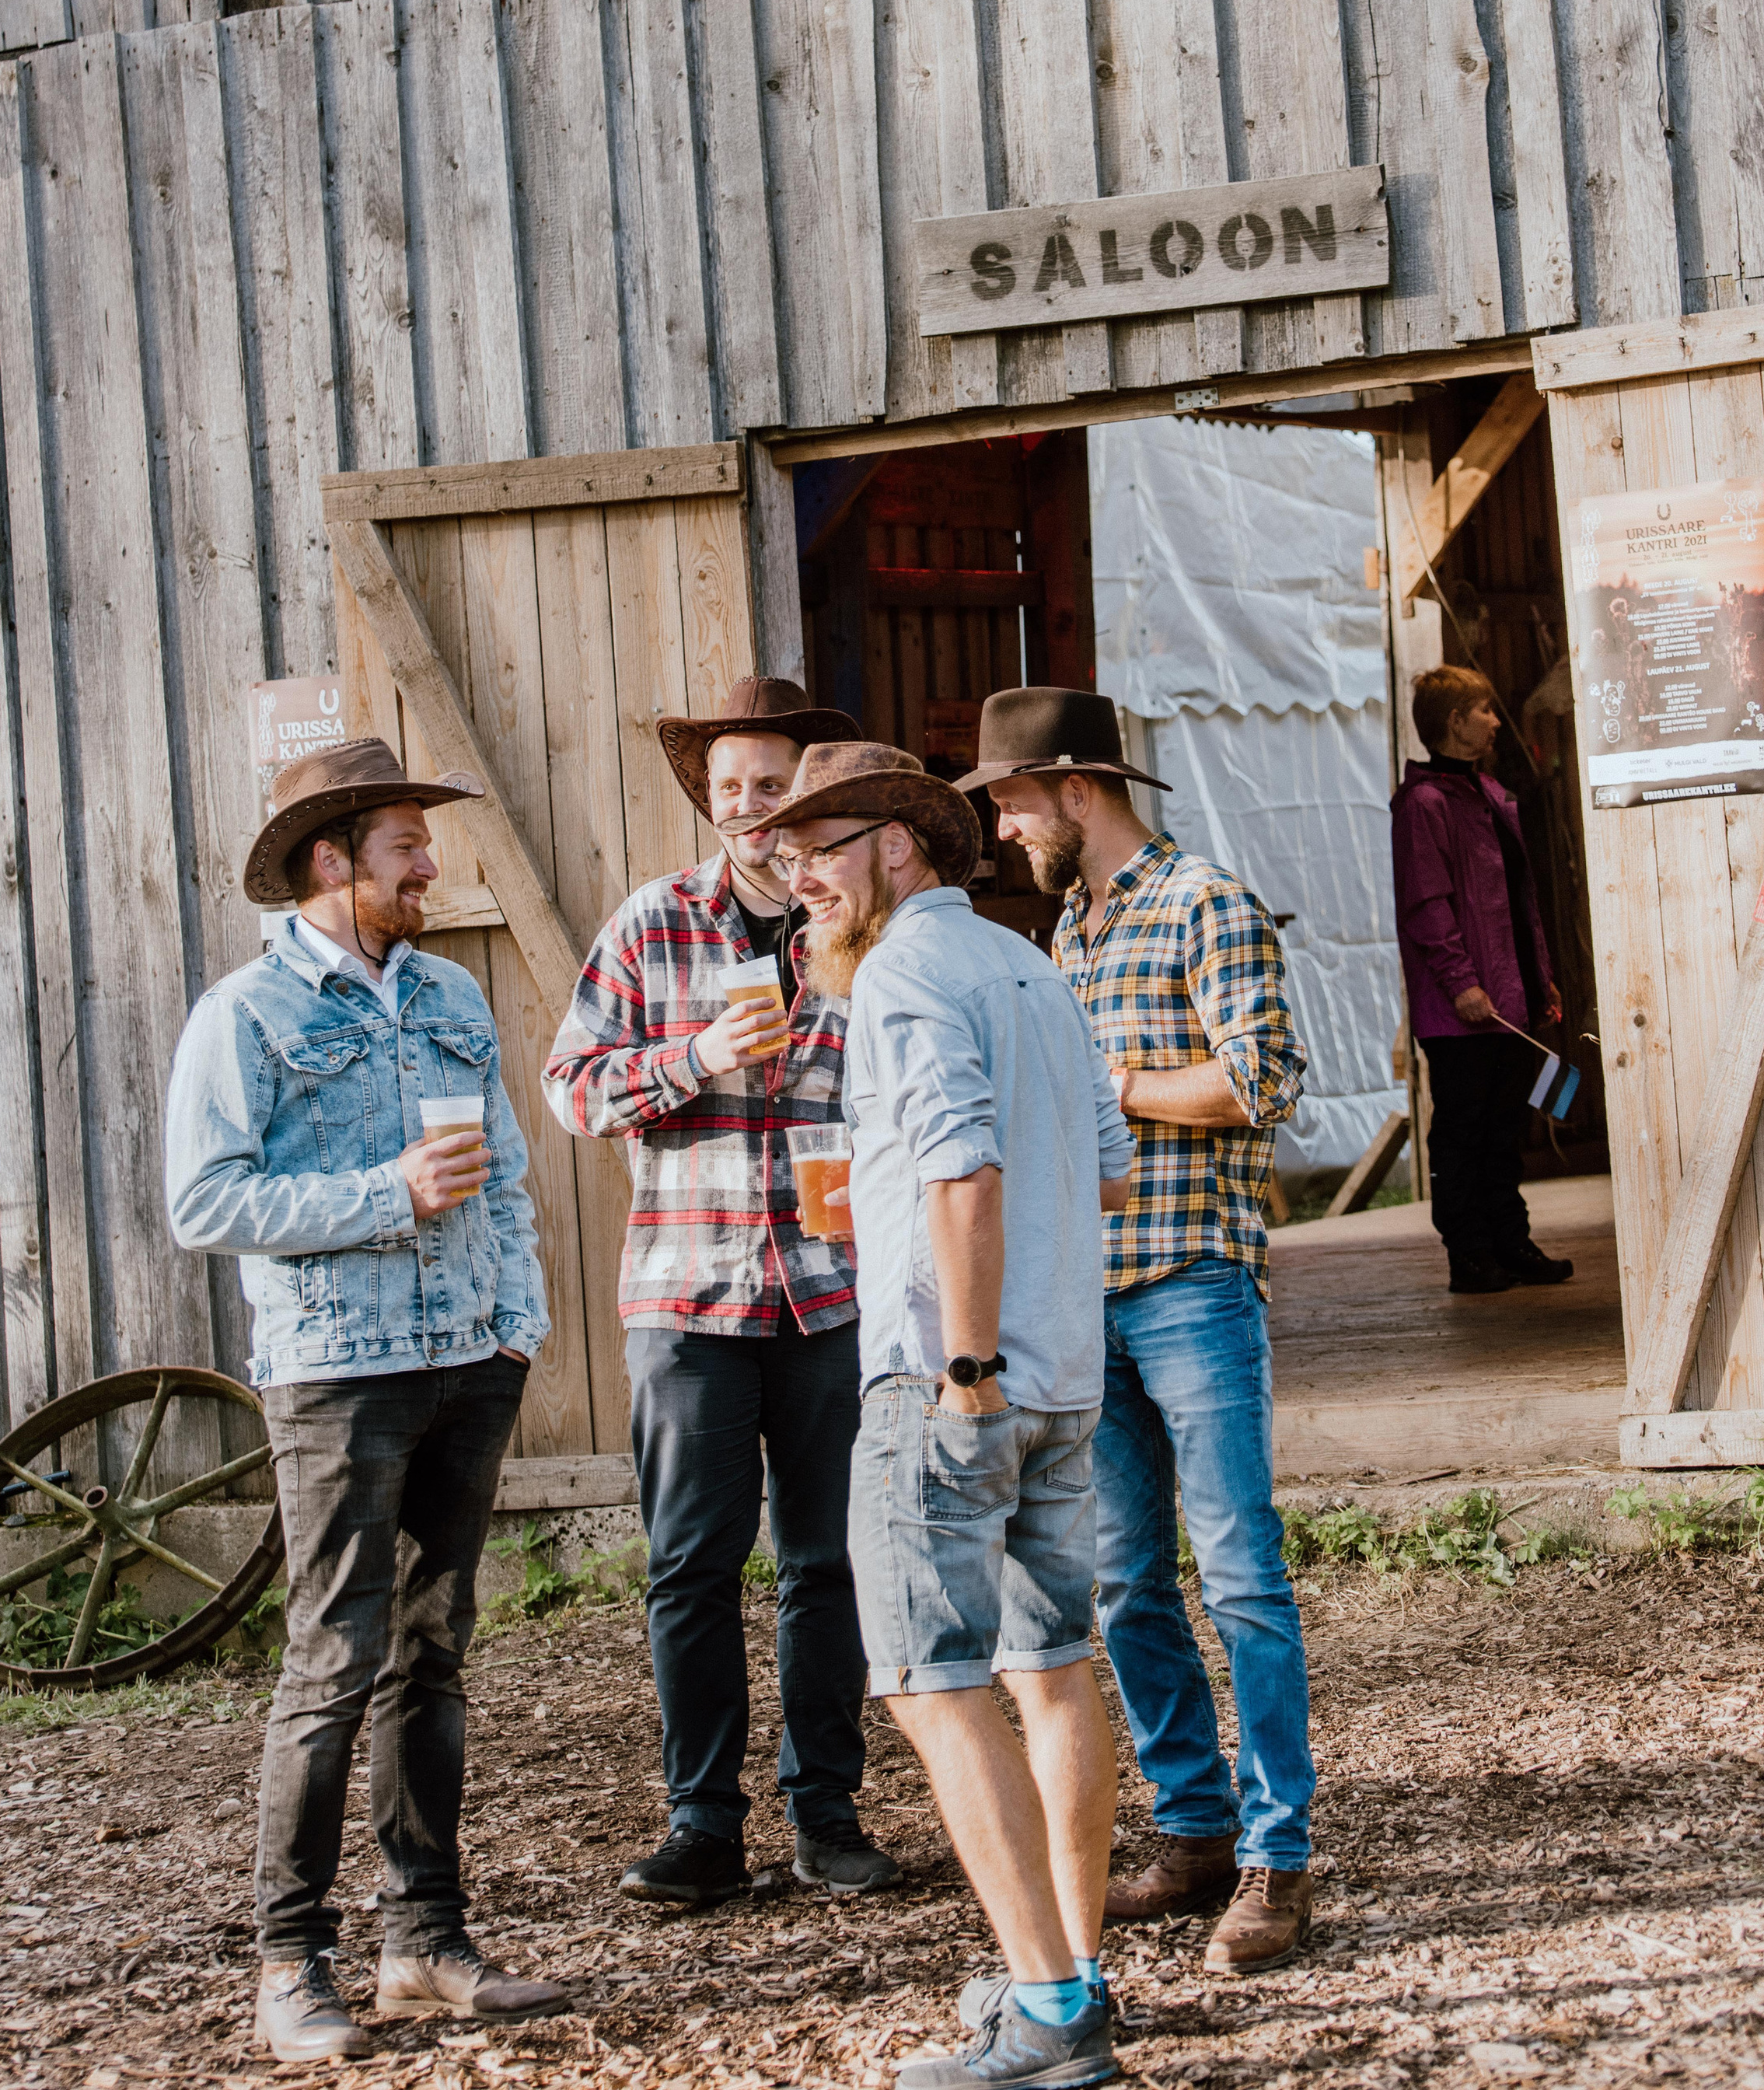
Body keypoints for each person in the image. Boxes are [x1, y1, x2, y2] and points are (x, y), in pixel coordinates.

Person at [166, 739, 565, 2065]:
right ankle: (292, 1964)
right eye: (407, 848)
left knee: (434, 1653)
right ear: (332, 862)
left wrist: (519, 1327)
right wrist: (385, 1196)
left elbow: (504, 1171)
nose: (431, 869)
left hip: (468, 1361)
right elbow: (206, 1202)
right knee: (333, 1660)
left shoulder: (451, 992)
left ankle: (425, 1946)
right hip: (340, 1375)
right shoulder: (246, 1016)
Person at [775, 739, 1134, 2090]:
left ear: (900, 847)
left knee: (930, 1688)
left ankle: (1047, 2012)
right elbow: (1104, 1171)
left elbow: (964, 1173)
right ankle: (1076, 1978)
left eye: (825, 847)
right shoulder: (1028, 963)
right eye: (788, 854)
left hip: (952, 1384)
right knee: (1052, 1670)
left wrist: (966, 1367)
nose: (799, 874)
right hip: (1066, 1375)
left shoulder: (909, 977)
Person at [962, 688, 1315, 1976]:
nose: (1000, 828)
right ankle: (1196, 1828)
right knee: (1126, 1590)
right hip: (1088, 1296)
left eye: (1008, 800)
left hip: (1194, 1284)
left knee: (1242, 1581)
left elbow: (1263, 1079)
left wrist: (1100, 1090)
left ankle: (1280, 1857)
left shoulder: (1203, 903)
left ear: (1073, 789)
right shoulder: (1072, 926)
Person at [542, 676, 901, 1907]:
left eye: (772, 786)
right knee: (691, 1564)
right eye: (730, 786)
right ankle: (702, 1824)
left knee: (828, 1563)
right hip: (688, 1295)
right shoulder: (653, 922)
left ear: (811, 792)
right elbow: (573, 1087)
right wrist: (692, 1057)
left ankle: (829, 1813)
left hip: (827, 1290)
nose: (749, 807)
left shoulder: (858, 925)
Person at [1391, 663, 1570, 1294]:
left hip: (1510, 997)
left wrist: (1540, 976)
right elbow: (1427, 904)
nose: (1496, 720)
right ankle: (1467, 1251)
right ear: (1453, 721)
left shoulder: (1491, 796)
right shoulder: (1423, 804)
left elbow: (1520, 902)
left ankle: (1509, 1240)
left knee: (1503, 1128)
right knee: (1464, 1130)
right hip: (1463, 1008)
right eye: (1485, 710)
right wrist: (1462, 982)